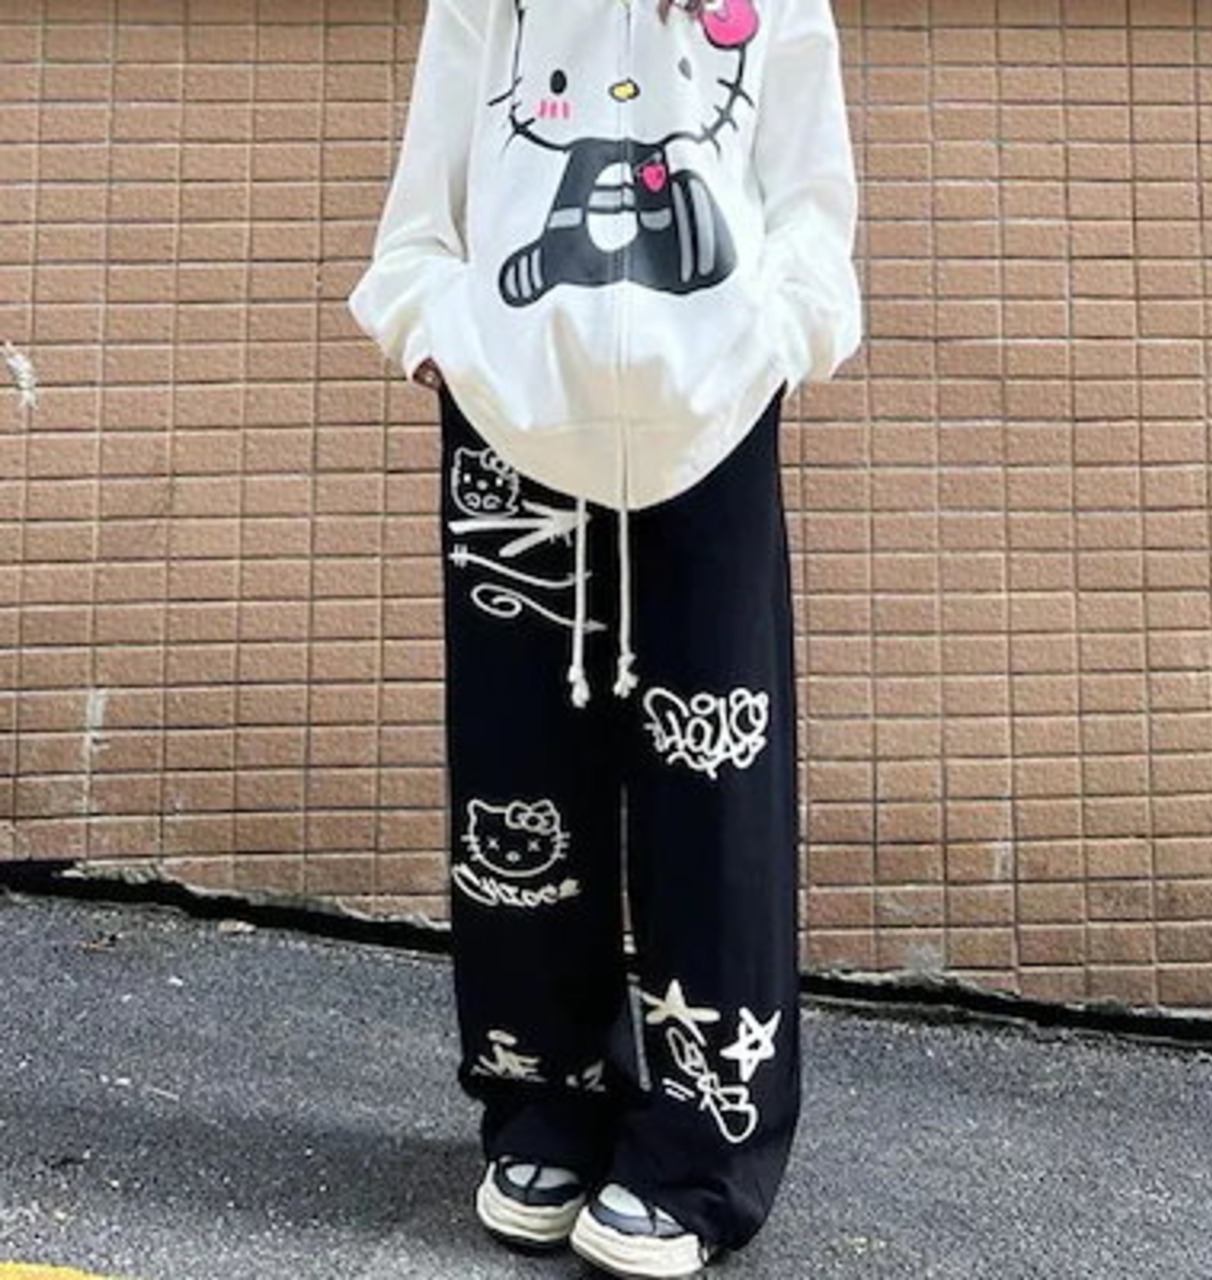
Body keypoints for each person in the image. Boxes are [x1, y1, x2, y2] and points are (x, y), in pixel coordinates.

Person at [347, 0, 862, 1274]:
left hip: (710, 420)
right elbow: (429, 191)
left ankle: (698, 1147)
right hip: (509, 422)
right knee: (515, 778)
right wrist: (434, 329)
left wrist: (779, 333)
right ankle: (543, 1099)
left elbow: (809, 190)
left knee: (717, 789)